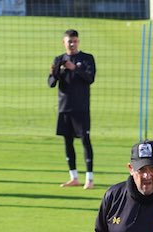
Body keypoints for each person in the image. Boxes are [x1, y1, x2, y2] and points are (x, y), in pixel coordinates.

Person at [48, 29, 96, 189]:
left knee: (85, 141)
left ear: (78, 41)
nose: (72, 44)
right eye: (69, 41)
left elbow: (90, 78)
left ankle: (89, 178)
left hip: (81, 108)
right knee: (67, 142)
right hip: (64, 108)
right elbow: (51, 83)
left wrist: (74, 68)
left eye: (75, 41)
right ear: (64, 42)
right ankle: (73, 177)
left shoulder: (87, 58)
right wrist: (55, 72)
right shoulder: (59, 59)